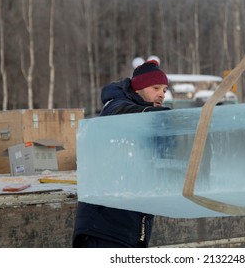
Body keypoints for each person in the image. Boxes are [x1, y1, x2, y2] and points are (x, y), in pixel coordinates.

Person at [72, 60, 171, 248]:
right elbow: (126, 114)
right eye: (156, 87)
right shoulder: (115, 108)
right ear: (138, 87)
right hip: (103, 230)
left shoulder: (148, 123)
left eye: (165, 90)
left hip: (132, 230)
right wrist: (169, 119)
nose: (161, 94)